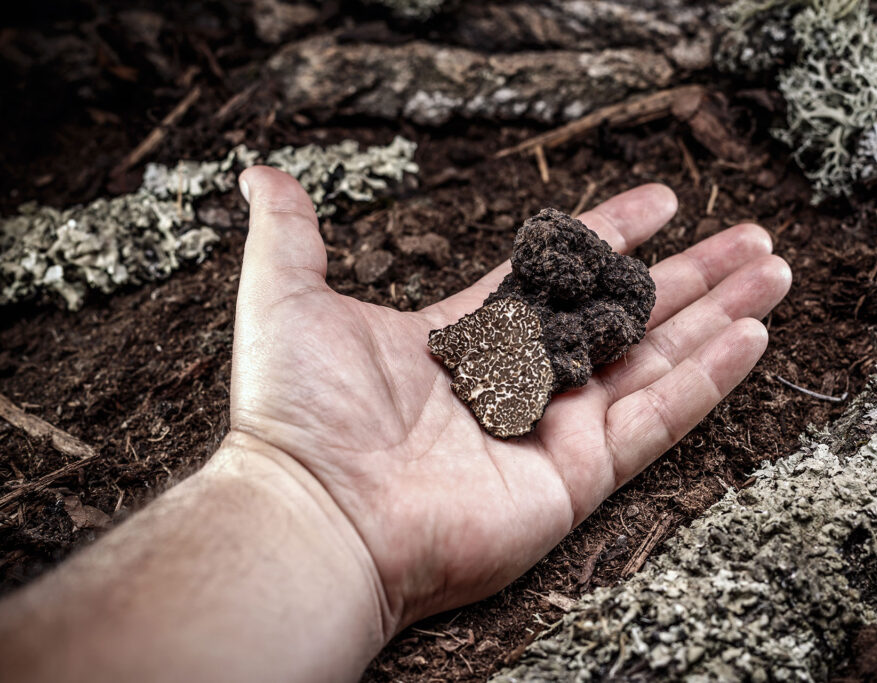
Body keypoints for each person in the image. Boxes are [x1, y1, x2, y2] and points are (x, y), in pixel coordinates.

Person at [0, 167, 791, 681]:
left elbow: (584, 330)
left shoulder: (567, 324)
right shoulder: (518, 325)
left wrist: (294, 497)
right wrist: (295, 474)